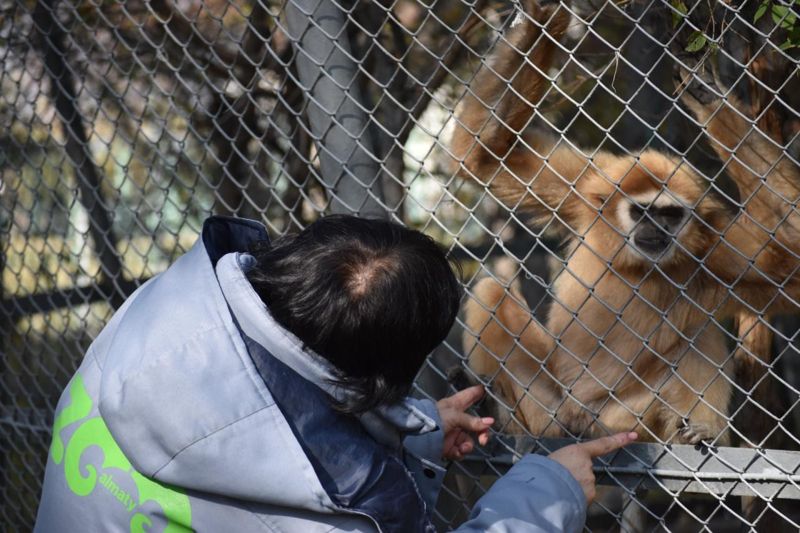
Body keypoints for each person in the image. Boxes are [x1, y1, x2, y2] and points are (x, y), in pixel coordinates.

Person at [35, 215, 636, 532]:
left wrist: (410, 429)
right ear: (390, 373)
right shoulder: (346, 509)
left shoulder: (160, 313)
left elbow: (257, 407)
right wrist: (546, 494)